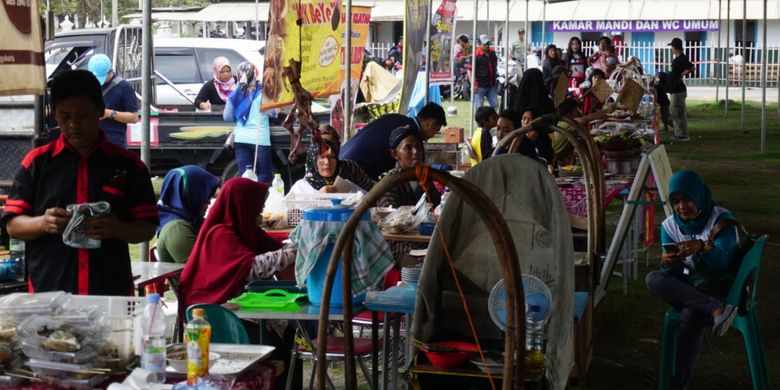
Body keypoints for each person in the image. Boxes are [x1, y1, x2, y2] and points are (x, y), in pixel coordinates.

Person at [1, 69, 158, 295]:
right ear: (54, 114)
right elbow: (13, 225)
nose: (73, 124)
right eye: (64, 116)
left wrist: (116, 227)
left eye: (82, 115)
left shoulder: (129, 166)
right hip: (49, 295)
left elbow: (147, 229)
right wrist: (43, 223)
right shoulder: (36, 163)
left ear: (100, 111)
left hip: (110, 295)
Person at [179, 177, 298, 388]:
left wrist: (296, 244)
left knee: (290, 336)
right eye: (257, 208)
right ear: (242, 205)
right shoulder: (221, 235)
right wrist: (291, 253)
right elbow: (252, 268)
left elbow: (275, 247)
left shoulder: (246, 229)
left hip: (234, 308)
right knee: (278, 344)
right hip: (212, 318)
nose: (259, 214)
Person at [645, 170, 740, 390]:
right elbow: (675, 278)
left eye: (687, 199)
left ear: (698, 195)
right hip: (695, 289)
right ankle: (717, 310)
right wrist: (667, 262)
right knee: (654, 278)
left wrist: (702, 248)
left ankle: (678, 385)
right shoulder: (669, 226)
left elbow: (724, 263)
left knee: (691, 313)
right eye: (676, 201)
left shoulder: (721, 219)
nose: (682, 207)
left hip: (722, 288)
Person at [378, 126, 441, 263]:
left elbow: (437, 206)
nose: (416, 152)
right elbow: (391, 221)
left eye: (418, 147)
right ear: (395, 154)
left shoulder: (425, 178)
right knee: (425, 265)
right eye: (408, 148)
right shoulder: (389, 183)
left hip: (427, 240)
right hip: (401, 245)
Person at [340, 102, 446, 180]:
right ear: (431, 123)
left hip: (343, 156)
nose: (432, 136)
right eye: (435, 131)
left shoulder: (396, 118)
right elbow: (413, 168)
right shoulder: (410, 134)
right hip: (354, 168)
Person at [156, 165, 220, 263]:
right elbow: (205, 269)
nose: (209, 202)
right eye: (205, 196)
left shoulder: (192, 220)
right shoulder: (176, 229)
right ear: (191, 194)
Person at [287, 126, 375, 196]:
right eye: (322, 157)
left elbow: (374, 191)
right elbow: (291, 212)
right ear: (314, 159)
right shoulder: (303, 187)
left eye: (332, 157)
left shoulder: (349, 168)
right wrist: (317, 198)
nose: (327, 162)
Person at [224, 62, 275, 182]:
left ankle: (247, 199)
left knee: (245, 175)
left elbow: (227, 117)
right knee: (264, 175)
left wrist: (240, 114)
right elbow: (273, 113)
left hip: (240, 139)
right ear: (255, 74)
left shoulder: (235, 93)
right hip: (259, 140)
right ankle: (258, 199)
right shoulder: (263, 93)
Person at [87, 54, 139, 148]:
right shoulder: (88, 85)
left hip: (114, 144)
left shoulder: (124, 87)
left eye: (101, 78)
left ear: (111, 71)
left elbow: (134, 117)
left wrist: (109, 113)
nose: (97, 82)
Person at [667, 38, 695, 141]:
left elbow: (691, 67)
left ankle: (681, 134)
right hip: (675, 89)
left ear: (676, 47)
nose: (671, 49)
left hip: (678, 90)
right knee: (676, 112)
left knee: (677, 112)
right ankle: (679, 132)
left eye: (672, 47)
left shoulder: (682, 59)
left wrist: (682, 74)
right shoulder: (677, 59)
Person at [473, 34, 499, 111]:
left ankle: (492, 121)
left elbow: (495, 63)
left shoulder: (492, 53)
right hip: (480, 85)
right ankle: (480, 122)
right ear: (479, 44)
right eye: (484, 44)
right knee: (479, 107)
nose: (486, 46)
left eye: (487, 43)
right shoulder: (476, 54)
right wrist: (473, 84)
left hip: (491, 84)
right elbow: (470, 70)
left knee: (495, 104)